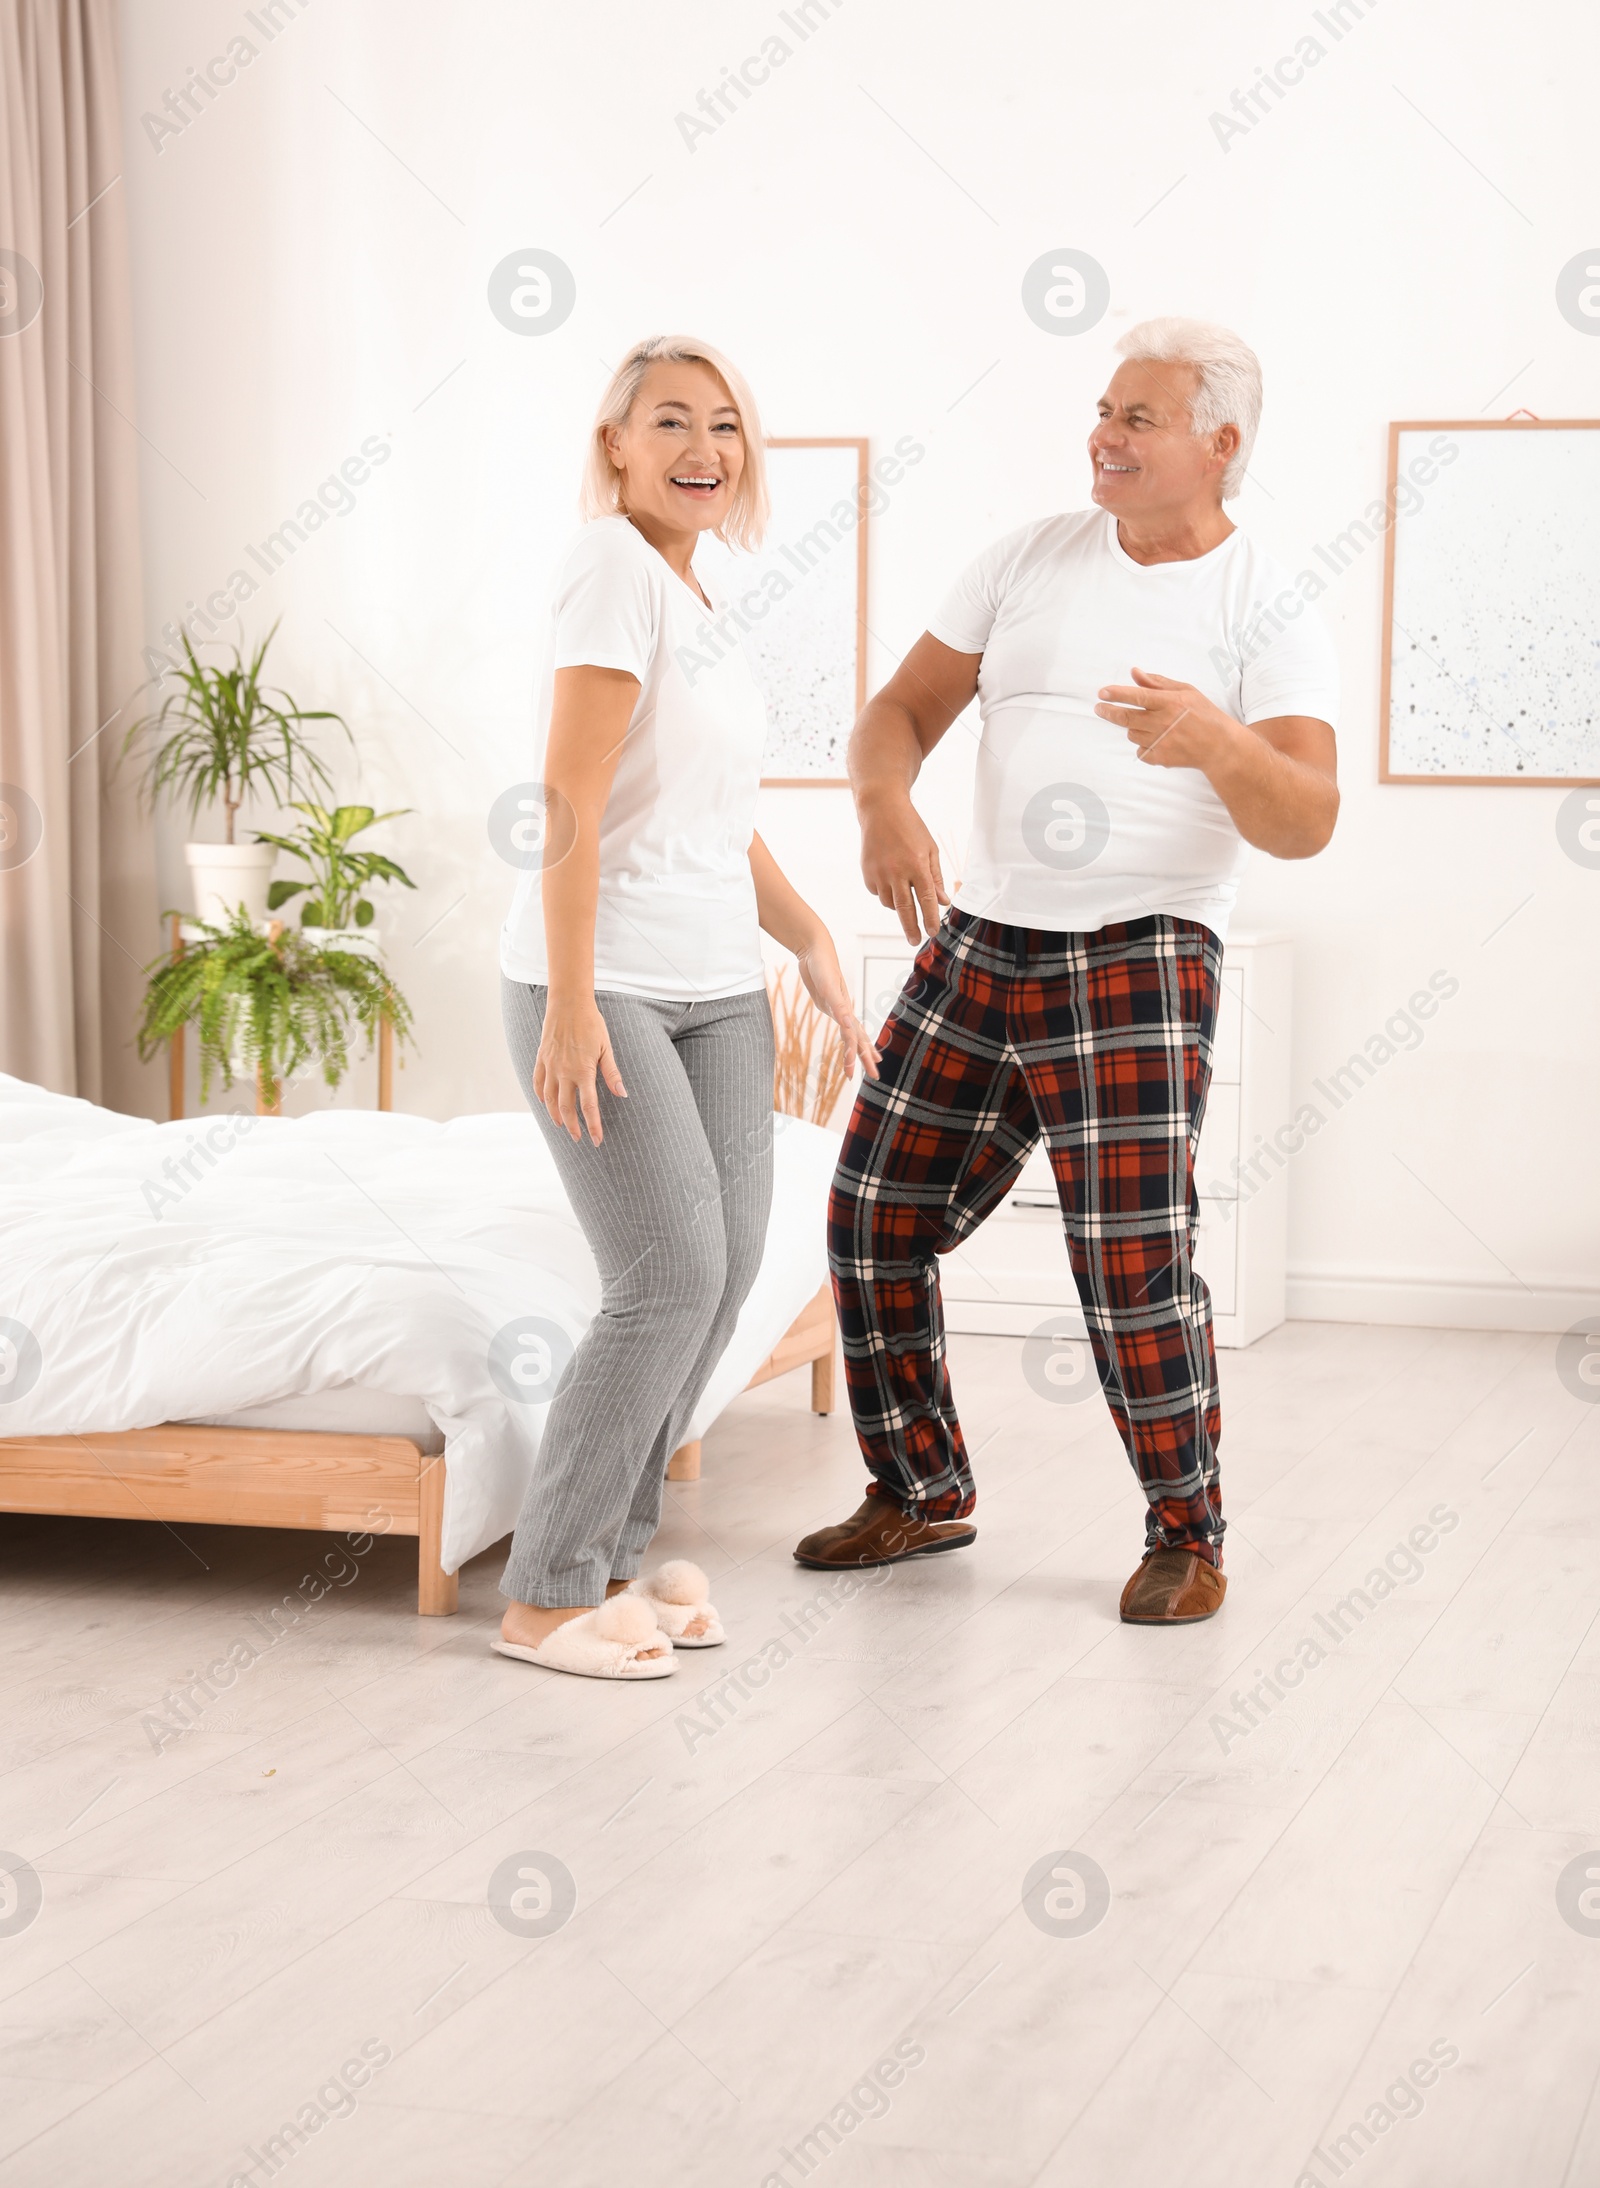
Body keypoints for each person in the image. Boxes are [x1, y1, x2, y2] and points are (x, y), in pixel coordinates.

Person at [796, 317, 1340, 1625]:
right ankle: (920, 1490)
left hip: (1145, 945)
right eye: (1104, 410)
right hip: (986, 935)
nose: (1105, 435)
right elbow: (899, 712)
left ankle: (1186, 1534)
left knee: (1127, 1258)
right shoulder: (1028, 557)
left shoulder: (1264, 597)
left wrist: (1214, 737)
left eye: (1138, 418)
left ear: (1222, 444)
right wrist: (883, 800)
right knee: (874, 1215)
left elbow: (1306, 819)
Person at [495, 335, 877, 1680]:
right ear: (615, 443)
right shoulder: (609, 567)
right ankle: (545, 1595)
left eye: (725, 426)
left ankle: (611, 1557)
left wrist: (814, 938)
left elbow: (716, 820)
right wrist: (572, 1000)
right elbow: (570, 804)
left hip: (721, 985)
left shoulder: (701, 591)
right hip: (611, 984)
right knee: (665, 1279)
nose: (704, 449)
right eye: (670, 422)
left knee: (717, 1288)